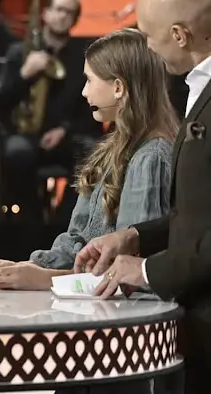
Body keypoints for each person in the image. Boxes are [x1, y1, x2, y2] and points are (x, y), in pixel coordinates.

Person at [75, 0, 211, 391]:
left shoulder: (152, 153)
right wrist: (135, 236)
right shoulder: (197, 91)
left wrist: (147, 269)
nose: (146, 49)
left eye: (149, 37)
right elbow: (197, 213)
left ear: (179, 36)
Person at [0, 29, 178, 297]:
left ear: (119, 87)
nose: (84, 92)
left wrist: (45, 279)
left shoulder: (151, 157)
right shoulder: (108, 149)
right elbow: (77, 240)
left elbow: (128, 273)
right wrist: (28, 266)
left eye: (89, 80)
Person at [0, 0, 102, 222]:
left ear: (75, 20)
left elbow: (93, 106)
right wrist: (24, 75)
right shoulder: (18, 52)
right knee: (16, 153)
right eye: (58, 10)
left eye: (69, 12)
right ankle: (32, 222)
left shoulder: (85, 55)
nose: (62, 16)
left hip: (68, 135)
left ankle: (63, 224)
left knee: (94, 154)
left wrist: (64, 129)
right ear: (46, 14)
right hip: (26, 135)